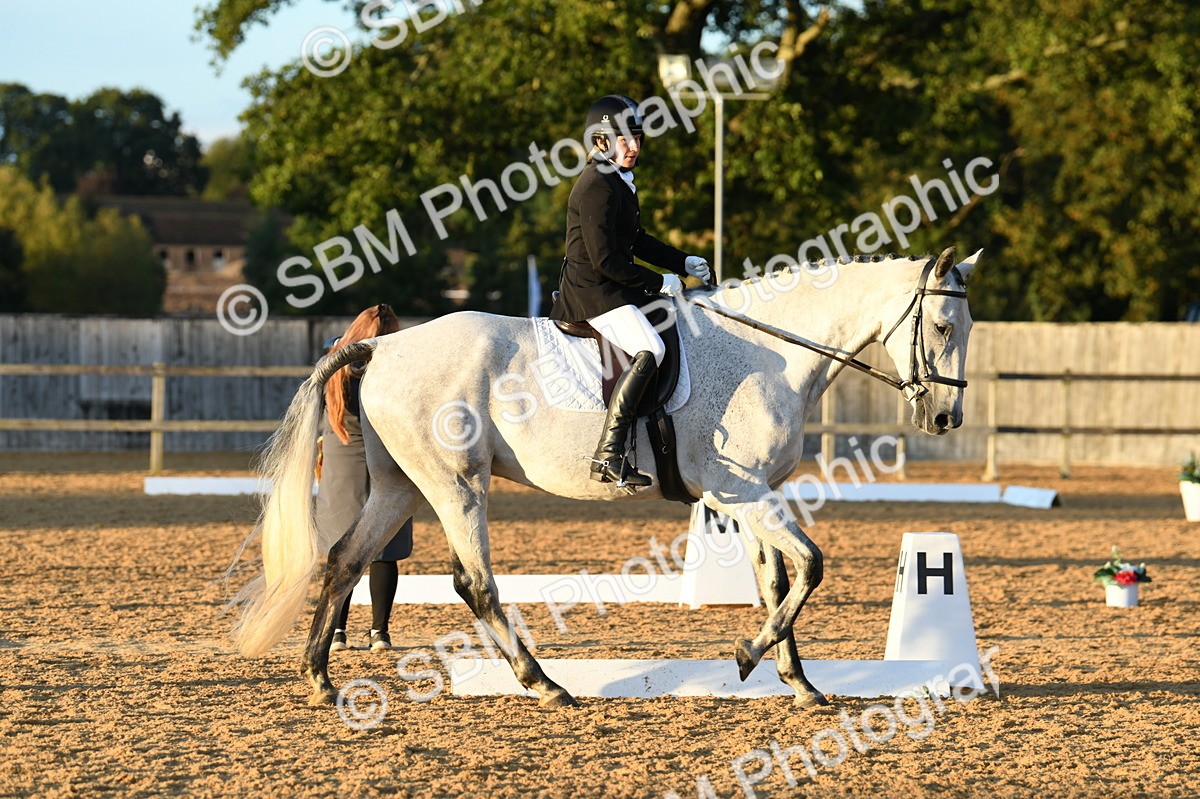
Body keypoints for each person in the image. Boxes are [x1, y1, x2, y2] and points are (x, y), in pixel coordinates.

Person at [550, 94, 712, 487]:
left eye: (637, 137)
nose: (635, 147)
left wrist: (681, 262)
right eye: (625, 139)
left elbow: (635, 239)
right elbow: (606, 260)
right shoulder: (596, 186)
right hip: (594, 294)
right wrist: (659, 282)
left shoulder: (618, 182)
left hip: (614, 287)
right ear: (602, 140)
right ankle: (610, 453)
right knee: (651, 349)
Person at [315, 304, 412, 653]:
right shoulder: (395, 365)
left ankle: (337, 632)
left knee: (342, 547)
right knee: (385, 551)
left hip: (341, 457)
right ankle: (379, 633)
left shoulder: (333, 359)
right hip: (385, 456)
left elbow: (317, 410)